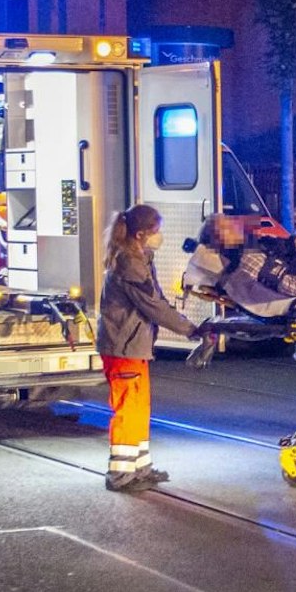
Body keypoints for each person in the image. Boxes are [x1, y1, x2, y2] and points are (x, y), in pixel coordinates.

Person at [97, 205, 216, 492]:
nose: (159, 236)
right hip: (123, 348)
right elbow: (153, 305)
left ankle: (139, 468)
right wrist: (190, 329)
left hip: (132, 346)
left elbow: (157, 301)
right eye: (156, 231)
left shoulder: (139, 257)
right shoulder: (130, 264)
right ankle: (120, 475)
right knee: (128, 410)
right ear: (141, 234)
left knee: (139, 409)